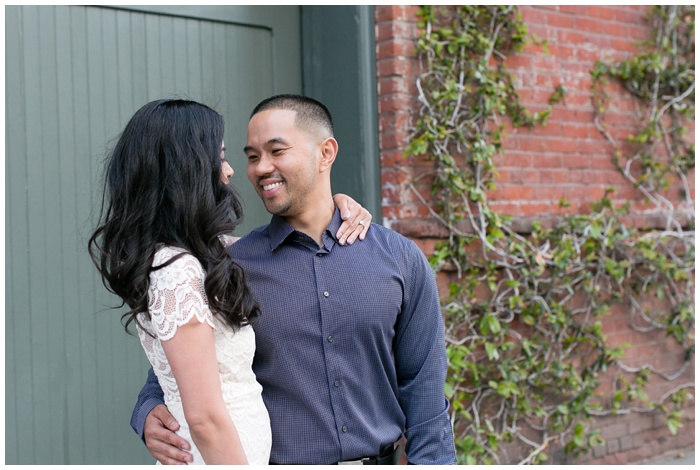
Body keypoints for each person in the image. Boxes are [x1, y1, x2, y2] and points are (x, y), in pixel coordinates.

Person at [133, 94, 457, 465]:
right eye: (252, 156)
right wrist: (147, 410)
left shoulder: (399, 258)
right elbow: (177, 361)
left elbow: (424, 387)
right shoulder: (228, 265)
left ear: (326, 153)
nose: (259, 168)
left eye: (276, 151)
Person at [88, 99, 371, 465]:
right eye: (220, 157)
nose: (230, 171)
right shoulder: (177, 269)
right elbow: (203, 416)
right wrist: (146, 409)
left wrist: (337, 207)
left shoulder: (213, 256)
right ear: (187, 169)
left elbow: (279, 244)